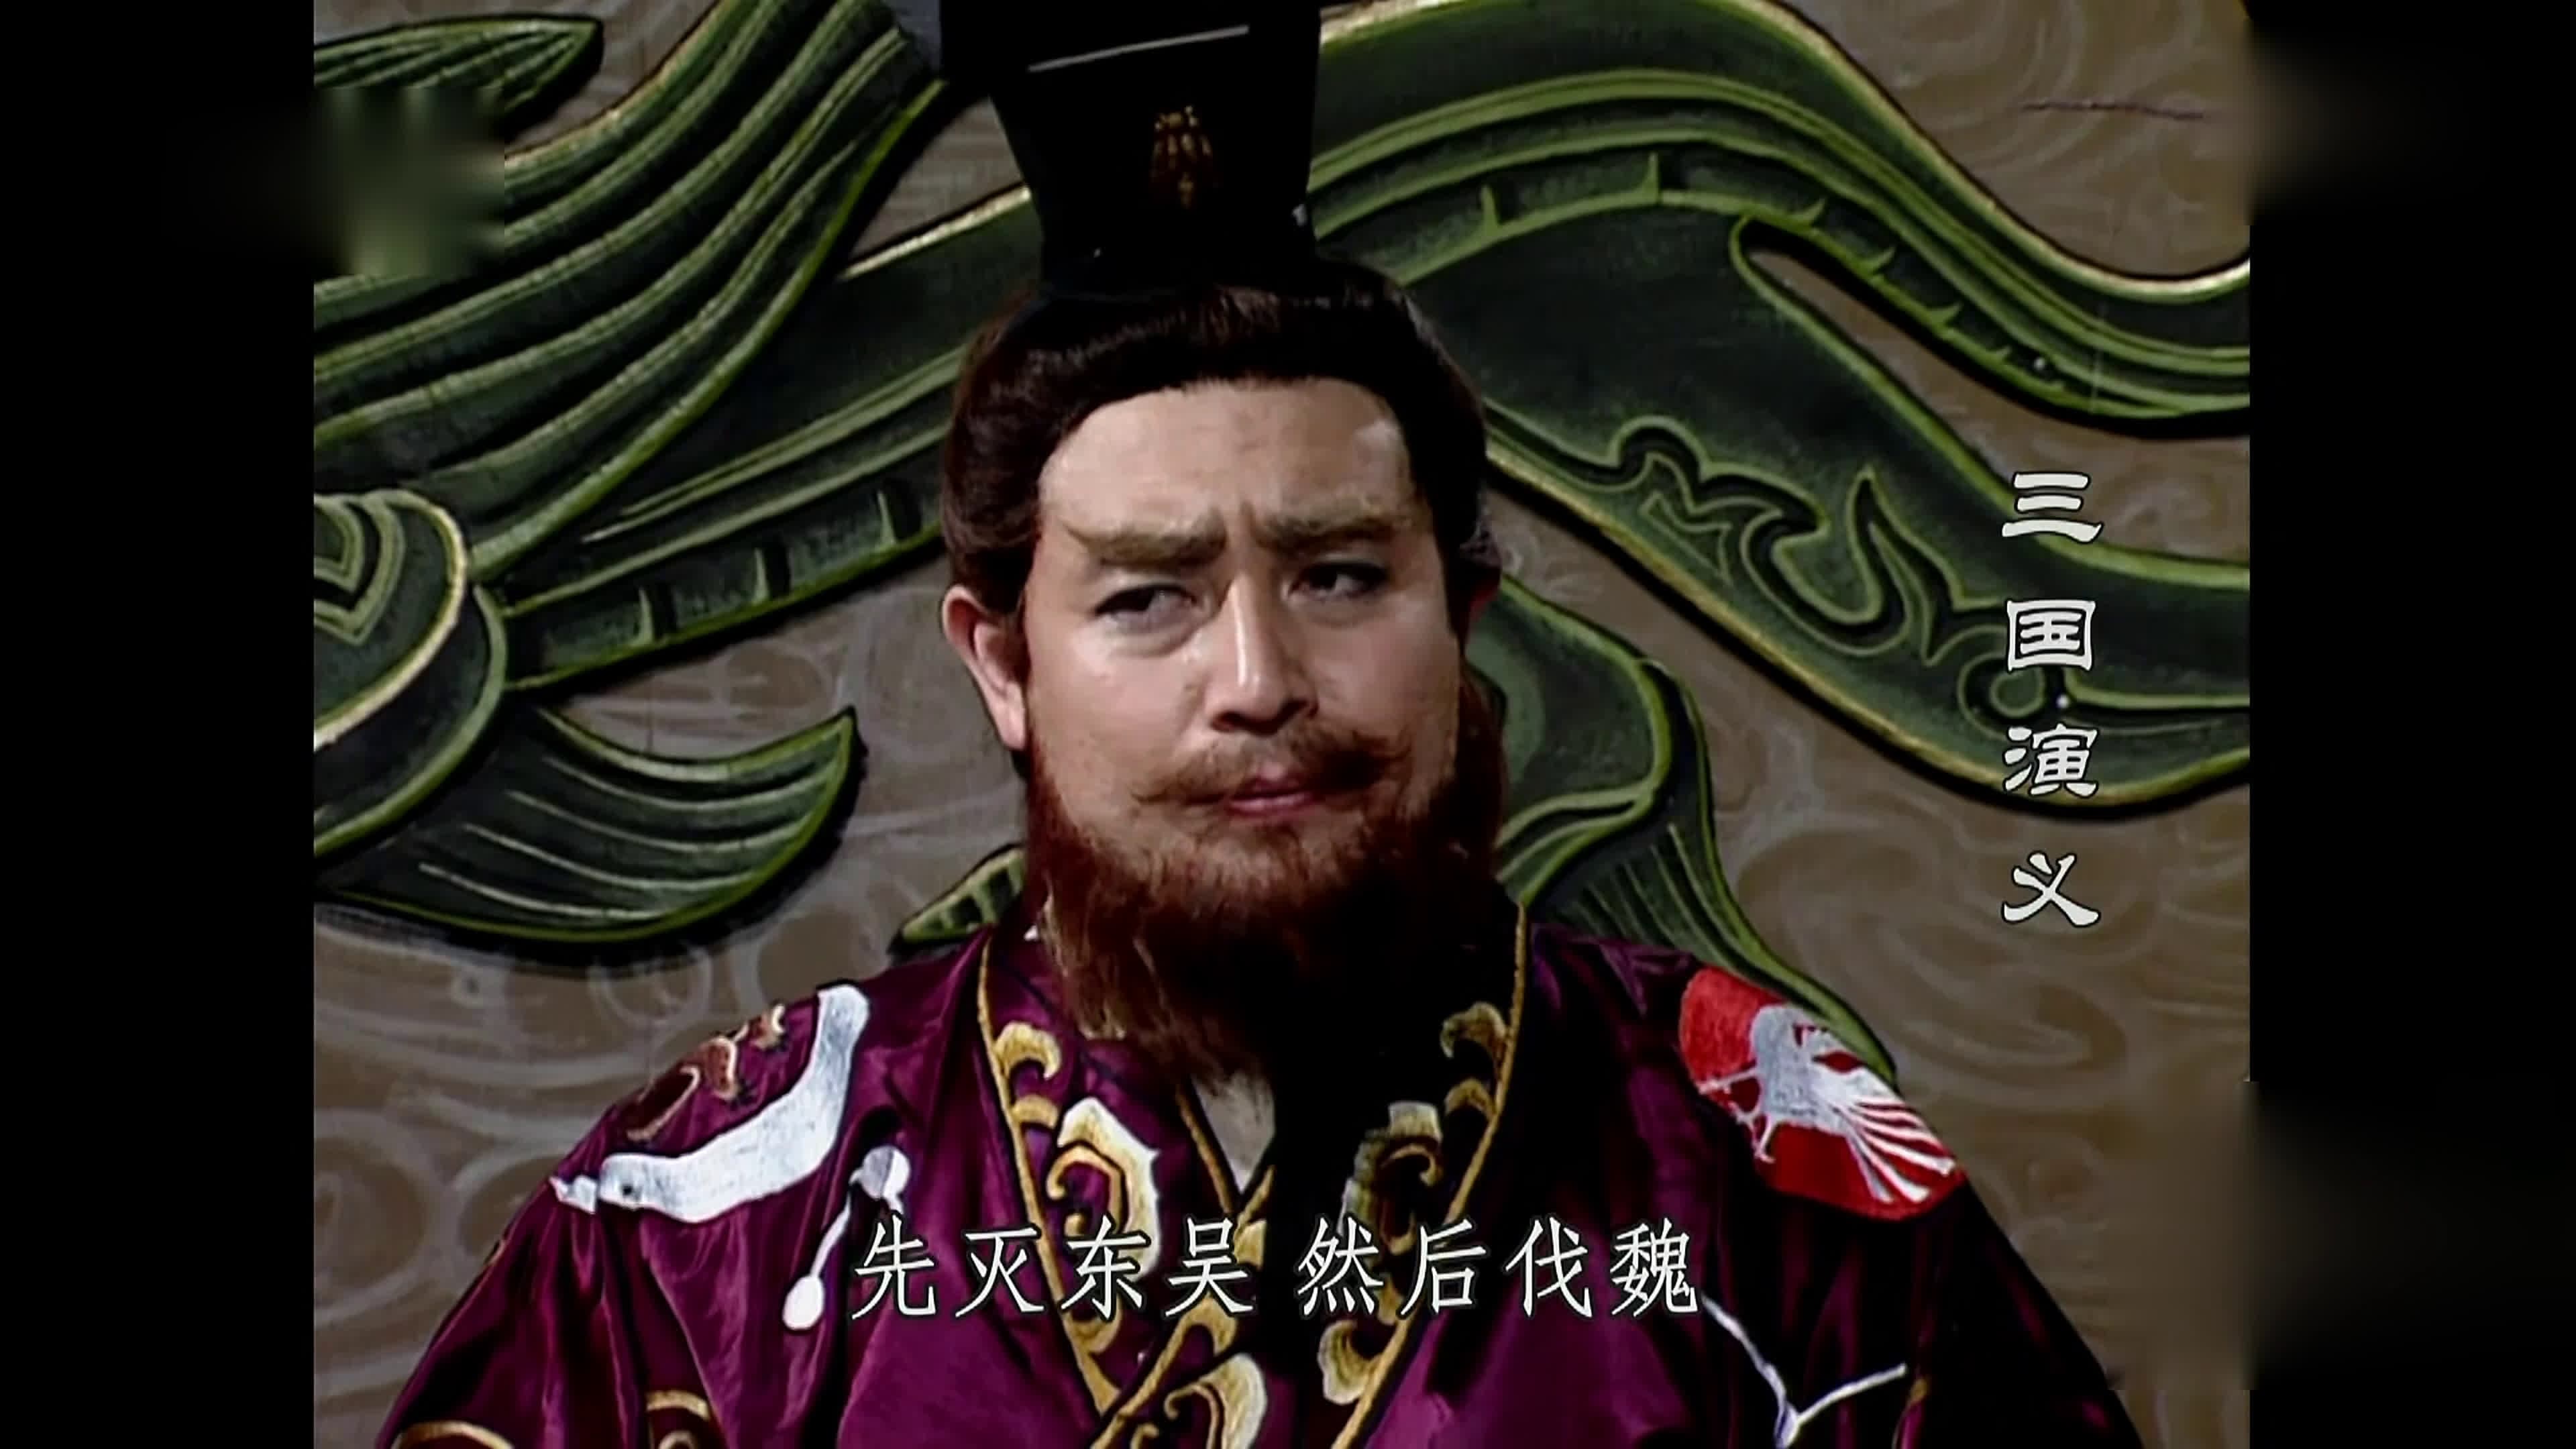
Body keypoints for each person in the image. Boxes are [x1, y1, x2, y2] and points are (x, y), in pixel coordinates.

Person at [379, 3, 2141, 1444]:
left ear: (1465, 620)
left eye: (1341, 577)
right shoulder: (710, 1223)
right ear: (1001, 664)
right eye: (1147, 597)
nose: (1257, 678)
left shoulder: (1759, 1152)